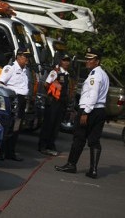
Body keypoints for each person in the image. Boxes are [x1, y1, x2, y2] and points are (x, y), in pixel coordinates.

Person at [55, 47, 109, 179]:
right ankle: (93, 170)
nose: (87, 61)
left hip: (90, 109)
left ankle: (71, 165)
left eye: (90, 59)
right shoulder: (103, 74)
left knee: (79, 138)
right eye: (87, 59)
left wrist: (85, 112)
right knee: (94, 140)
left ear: (97, 61)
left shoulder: (95, 76)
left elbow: (93, 94)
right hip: (100, 110)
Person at [0, 47, 31, 161]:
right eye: (25, 57)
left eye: (28, 57)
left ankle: (10, 152)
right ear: (18, 57)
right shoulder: (10, 68)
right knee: (8, 126)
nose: (27, 59)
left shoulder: (25, 70)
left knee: (17, 127)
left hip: (22, 101)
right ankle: (1, 152)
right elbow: (0, 83)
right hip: (13, 100)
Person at [38, 53, 71, 156]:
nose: (66, 62)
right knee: (49, 124)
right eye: (64, 60)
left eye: (68, 60)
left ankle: (50, 144)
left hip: (61, 103)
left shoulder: (66, 74)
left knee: (56, 126)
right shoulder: (55, 72)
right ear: (60, 61)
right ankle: (43, 146)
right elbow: (46, 84)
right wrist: (54, 87)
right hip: (53, 103)